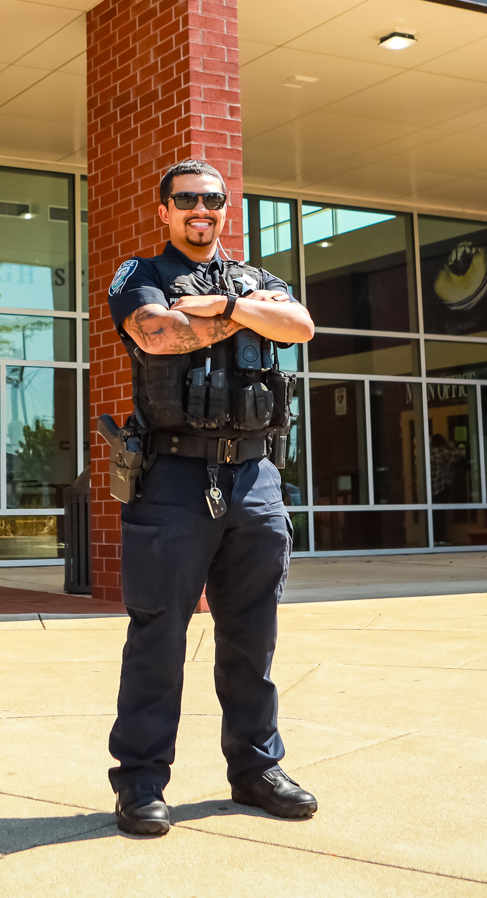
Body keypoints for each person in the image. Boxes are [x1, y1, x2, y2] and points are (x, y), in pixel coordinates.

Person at [104, 158, 319, 837]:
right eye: (186, 199)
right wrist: (254, 320)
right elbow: (158, 333)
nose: (202, 209)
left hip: (255, 479)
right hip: (172, 478)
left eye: (214, 200)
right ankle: (140, 783)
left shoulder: (256, 279)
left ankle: (256, 769)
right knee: (159, 635)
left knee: (252, 636)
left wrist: (225, 307)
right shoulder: (140, 276)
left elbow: (302, 327)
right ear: (163, 210)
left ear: (227, 209)